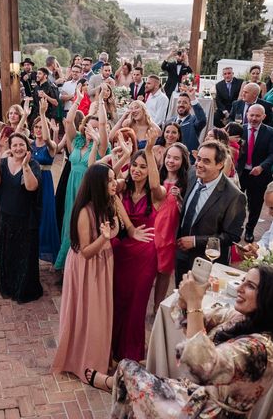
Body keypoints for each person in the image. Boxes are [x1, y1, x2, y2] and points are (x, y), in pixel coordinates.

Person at [86, 265, 273, 419]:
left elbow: (200, 366)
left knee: (127, 371)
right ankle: (115, 386)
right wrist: (186, 300)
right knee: (126, 369)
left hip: (208, 412)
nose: (239, 288)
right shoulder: (241, 318)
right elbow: (190, 321)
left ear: (270, 298)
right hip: (197, 395)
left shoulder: (260, 349)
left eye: (250, 286)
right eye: (242, 281)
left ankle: (112, 385)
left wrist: (195, 302)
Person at [51, 165, 118, 383]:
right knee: (87, 314)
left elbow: (115, 229)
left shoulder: (107, 204)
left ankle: (98, 356)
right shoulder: (84, 212)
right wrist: (104, 238)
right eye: (110, 180)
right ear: (99, 184)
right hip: (86, 267)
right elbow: (87, 251)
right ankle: (83, 362)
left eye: (114, 178)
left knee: (99, 314)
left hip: (103, 264)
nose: (114, 182)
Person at [111, 132, 164, 362]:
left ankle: (130, 354)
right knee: (118, 300)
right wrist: (124, 156)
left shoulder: (157, 194)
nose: (137, 170)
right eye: (135, 165)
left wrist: (149, 150)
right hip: (122, 250)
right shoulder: (122, 187)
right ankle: (112, 348)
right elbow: (108, 179)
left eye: (143, 166)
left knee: (137, 304)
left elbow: (154, 183)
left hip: (145, 251)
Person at [175, 141, 246, 285]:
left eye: (206, 161)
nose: (199, 164)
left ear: (220, 164)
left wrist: (195, 241)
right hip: (181, 255)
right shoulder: (192, 175)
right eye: (198, 158)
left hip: (207, 262)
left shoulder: (234, 196)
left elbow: (231, 236)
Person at [55, 91, 109, 273]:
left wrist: (100, 102)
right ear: (84, 127)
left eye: (95, 128)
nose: (91, 130)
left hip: (88, 189)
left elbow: (102, 123)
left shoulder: (102, 146)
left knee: (83, 224)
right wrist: (77, 100)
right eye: (88, 127)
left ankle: (81, 264)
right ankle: (66, 265)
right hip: (71, 187)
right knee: (69, 222)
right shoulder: (76, 143)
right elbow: (68, 122)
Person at [0, 133, 43, 303]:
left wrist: (25, 166)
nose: (18, 148)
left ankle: (23, 288)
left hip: (25, 218)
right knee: (8, 254)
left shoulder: (33, 165)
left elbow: (31, 187)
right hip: (7, 217)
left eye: (22, 145)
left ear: (27, 147)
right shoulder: (4, 163)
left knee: (24, 255)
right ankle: (8, 285)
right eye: (15, 145)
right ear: (10, 148)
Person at [153, 141, 190, 314]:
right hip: (153, 230)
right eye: (169, 157)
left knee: (164, 273)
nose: (171, 161)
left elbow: (188, 213)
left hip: (170, 233)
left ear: (183, 161)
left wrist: (180, 198)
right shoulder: (157, 178)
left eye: (176, 158)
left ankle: (157, 307)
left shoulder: (186, 183)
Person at [237, 104, 273, 242]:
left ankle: (249, 230)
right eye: (251, 115)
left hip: (259, 175)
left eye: (257, 116)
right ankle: (235, 229)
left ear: (264, 117)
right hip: (240, 173)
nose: (254, 118)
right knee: (234, 202)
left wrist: (261, 167)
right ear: (247, 114)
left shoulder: (271, 132)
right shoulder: (239, 130)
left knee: (255, 205)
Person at [32, 98, 60, 264]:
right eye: (36, 127)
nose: (38, 130)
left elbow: (50, 140)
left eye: (41, 127)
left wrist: (43, 114)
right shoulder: (30, 144)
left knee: (46, 215)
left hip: (45, 182)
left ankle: (49, 251)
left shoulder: (51, 146)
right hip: (31, 181)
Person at [167, 90, 206, 161]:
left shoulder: (194, 120)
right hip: (170, 161)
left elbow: (202, 120)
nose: (181, 104)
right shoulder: (169, 121)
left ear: (190, 106)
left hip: (188, 162)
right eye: (179, 102)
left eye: (185, 102)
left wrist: (193, 99)